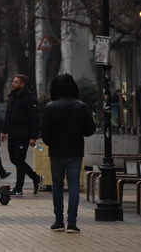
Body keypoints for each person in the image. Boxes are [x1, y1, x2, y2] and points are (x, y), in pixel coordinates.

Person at [41, 74, 96, 234]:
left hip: (57, 152)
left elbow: (45, 133)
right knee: (73, 186)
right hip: (75, 152)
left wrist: (53, 143)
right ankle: (72, 222)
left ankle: (59, 221)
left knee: (57, 185)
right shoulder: (81, 106)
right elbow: (90, 130)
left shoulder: (50, 107)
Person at [1, 73, 42, 196]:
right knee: (14, 159)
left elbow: (35, 119)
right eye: (13, 82)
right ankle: (36, 178)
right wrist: (4, 131)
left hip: (23, 134)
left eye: (16, 82)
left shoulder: (29, 97)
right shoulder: (12, 96)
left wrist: (34, 137)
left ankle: (18, 188)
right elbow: (8, 115)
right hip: (12, 134)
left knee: (19, 160)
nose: (13, 84)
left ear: (22, 84)